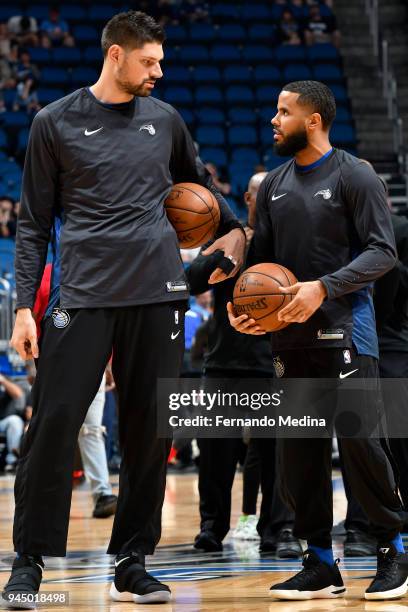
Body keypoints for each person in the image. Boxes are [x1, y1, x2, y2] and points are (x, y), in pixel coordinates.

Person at [1, 10, 244, 608]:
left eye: (160, 61)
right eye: (149, 61)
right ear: (116, 55)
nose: (159, 71)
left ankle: (132, 558)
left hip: (158, 295)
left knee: (147, 432)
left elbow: (203, 192)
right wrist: (23, 311)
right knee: (53, 424)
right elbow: (32, 225)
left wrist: (236, 232)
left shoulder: (165, 121)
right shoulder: (52, 122)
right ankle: (29, 562)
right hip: (81, 296)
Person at [227, 80, 408, 600]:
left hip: (349, 329)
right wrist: (244, 311)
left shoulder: (356, 175)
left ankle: (391, 548)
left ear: (312, 120)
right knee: (298, 451)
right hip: (289, 339)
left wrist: (323, 288)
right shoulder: (276, 185)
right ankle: (320, 562)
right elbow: (260, 263)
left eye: (283, 112)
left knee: (359, 444)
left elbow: (382, 253)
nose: (273, 120)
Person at [187, 172, 301, 558]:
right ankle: (211, 527)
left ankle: (279, 529)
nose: (268, 200)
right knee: (215, 455)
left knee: (276, 457)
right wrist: (224, 254)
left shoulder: (291, 245)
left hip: (275, 364)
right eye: (260, 194)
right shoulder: (230, 241)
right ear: (249, 199)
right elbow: (190, 281)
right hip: (223, 363)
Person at [0, 372, 25, 473]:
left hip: (3, 422)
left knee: (15, 421)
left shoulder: (6, 384)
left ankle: (12, 462)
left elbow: (18, 394)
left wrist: (2, 380)